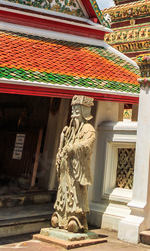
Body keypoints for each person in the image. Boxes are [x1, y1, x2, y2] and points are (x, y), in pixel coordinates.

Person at [51, 95, 96, 233]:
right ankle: (61, 215)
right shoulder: (68, 130)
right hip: (66, 169)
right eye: (73, 111)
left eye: (77, 111)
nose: (74, 115)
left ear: (84, 111)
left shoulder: (88, 129)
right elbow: (62, 146)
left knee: (76, 193)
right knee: (63, 191)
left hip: (77, 168)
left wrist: (74, 148)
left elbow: (88, 143)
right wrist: (61, 149)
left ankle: (76, 218)